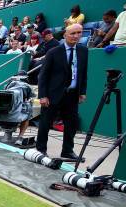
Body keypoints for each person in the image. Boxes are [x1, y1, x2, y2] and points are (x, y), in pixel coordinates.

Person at [37, 24, 88, 159]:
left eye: (79, 33)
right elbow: (43, 75)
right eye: (72, 33)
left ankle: (67, 151)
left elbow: (83, 73)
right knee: (45, 123)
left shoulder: (84, 51)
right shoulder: (53, 52)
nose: (76, 36)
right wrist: (43, 95)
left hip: (72, 95)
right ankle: (40, 150)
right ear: (65, 35)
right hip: (53, 95)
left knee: (71, 124)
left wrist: (82, 91)